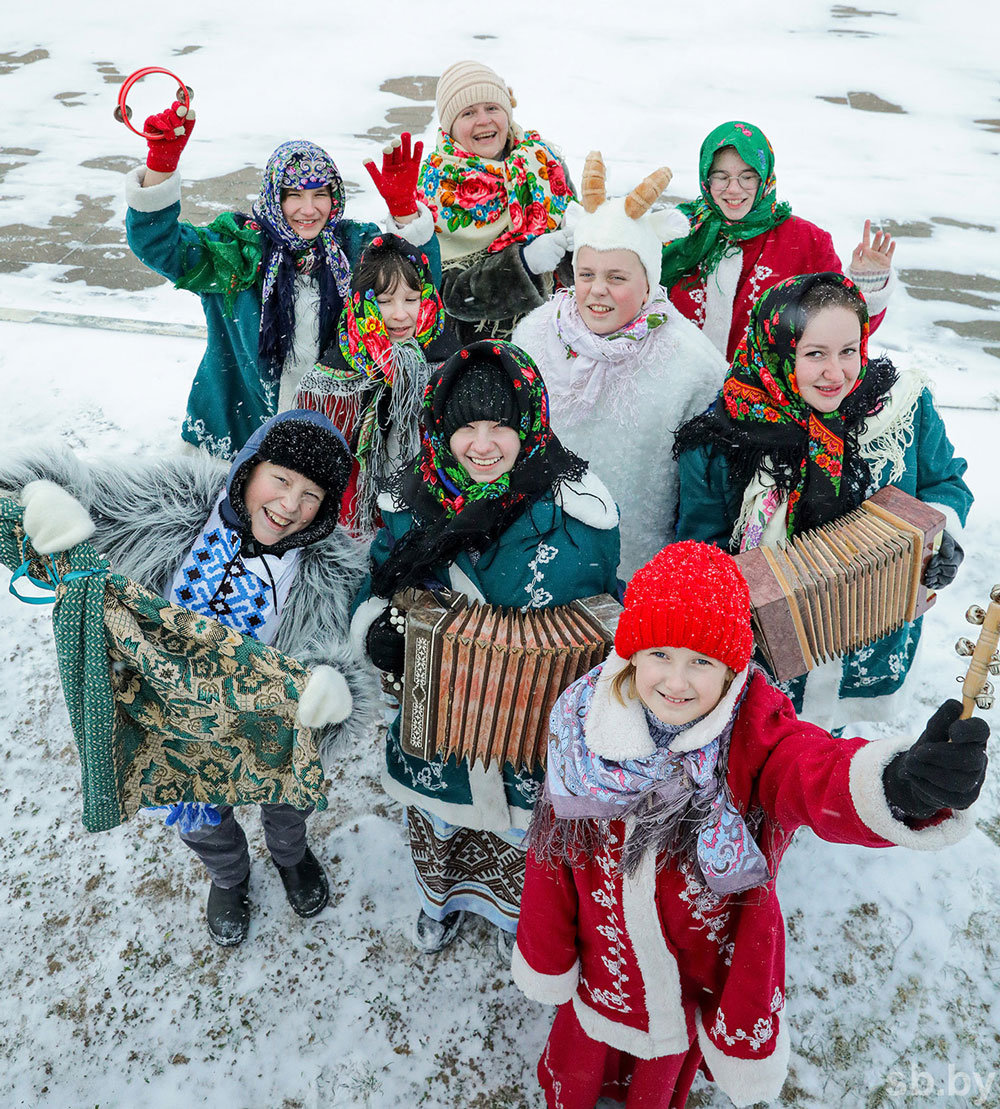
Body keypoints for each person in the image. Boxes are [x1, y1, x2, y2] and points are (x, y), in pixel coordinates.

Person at [512, 541, 989, 1109]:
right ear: (632, 651)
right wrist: (546, 955)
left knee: (658, 1070)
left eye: (702, 661)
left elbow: (809, 770)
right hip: (600, 956)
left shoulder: (752, 732)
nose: (677, 682)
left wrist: (898, 785)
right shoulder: (582, 725)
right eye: (660, 654)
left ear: (733, 667)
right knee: (579, 1057)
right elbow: (552, 857)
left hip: (690, 963)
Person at [5, 410, 376, 946]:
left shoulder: (327, 570)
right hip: (173, 718)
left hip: (266, 722)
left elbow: (342, 653)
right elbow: (88, 496)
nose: (291, 505)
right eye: (281, 479)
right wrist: (44, 500)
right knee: (198, 815)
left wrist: (334, 686)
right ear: (249, 469)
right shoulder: (175, 506)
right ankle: (230, 874)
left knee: (287, 800)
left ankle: (290, 854)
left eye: (312, 494)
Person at [350, 341, 620, 959]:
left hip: (530, 715)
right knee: (442, 814)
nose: (483, 444)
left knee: (516, 826)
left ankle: (508, 915)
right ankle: (439, 900)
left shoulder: (577, 507)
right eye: (465, 426)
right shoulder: (408, 500)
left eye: (500, 425)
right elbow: (377, 584)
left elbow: (605, 599)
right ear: (440, 429)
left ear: (529, 423)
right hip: (439, 707)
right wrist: (377, 631)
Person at [674, 271, 971, 728]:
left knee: (839, 763)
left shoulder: (901, 408)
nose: (837, 374)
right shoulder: (723, 439)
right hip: (772, 657)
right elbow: (700, 550)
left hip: (875, 640)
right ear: (776, 350)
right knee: (776, 765)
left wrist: (942, 530)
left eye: (849, 350)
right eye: (814, 354)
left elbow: (945, 481)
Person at [125, 98, 439, 457]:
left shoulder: (356, 251)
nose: (309, 210)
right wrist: (160, 168)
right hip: (236, 443)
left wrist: (404, 212)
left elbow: (421, 290)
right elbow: (157, 243)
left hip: (335, 442)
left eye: (321, 194)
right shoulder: (238, 253)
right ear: (275, 196)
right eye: (294, 196)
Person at [512, 152, 726, 579]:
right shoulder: (534, 337)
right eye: (586, 274)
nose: (597, 291)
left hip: (636, 573)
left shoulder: (693, 364)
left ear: (649, 282)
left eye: (617, 277)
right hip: (536, 560)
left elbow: (705, 497)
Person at [660, 120, 896, 361]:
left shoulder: (808, 242)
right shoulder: (678, 231)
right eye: (721, 177)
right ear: (706, 178)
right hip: (681, 393)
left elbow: (843, 332)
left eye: (747, 177)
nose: (733, 189)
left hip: (768, 395)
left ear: (764, 177)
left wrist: (868, 286)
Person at [294, 233, 455, 534]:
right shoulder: (334, 377)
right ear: (363, 302)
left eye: (411, 299)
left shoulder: (447, 364)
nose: (400, 314)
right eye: (384, 301)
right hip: (352, 519)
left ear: (428, 298)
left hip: (430, 513)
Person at [417, 60, 577, 345]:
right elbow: (448, 295)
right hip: (478, 352)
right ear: (449, 127)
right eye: (468, 113)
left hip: (558, 337)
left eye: (492, 108)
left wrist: (581, 242)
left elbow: (579, 272)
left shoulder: (543, 165)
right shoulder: (434, 188)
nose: (484, 120)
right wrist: (524, 265)